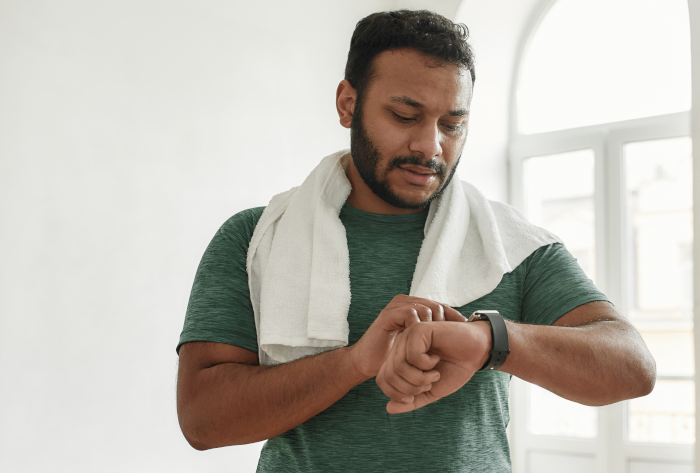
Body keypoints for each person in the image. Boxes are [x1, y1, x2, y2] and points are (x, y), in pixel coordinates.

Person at [176, 9, 656, 472]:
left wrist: (488, 340)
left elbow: (633, 367)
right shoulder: (255, 238)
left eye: (453, 125)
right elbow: (201, 420)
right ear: (348, 104)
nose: (431, 146)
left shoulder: (509, 245)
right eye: (406, 115)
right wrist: (354, 362)